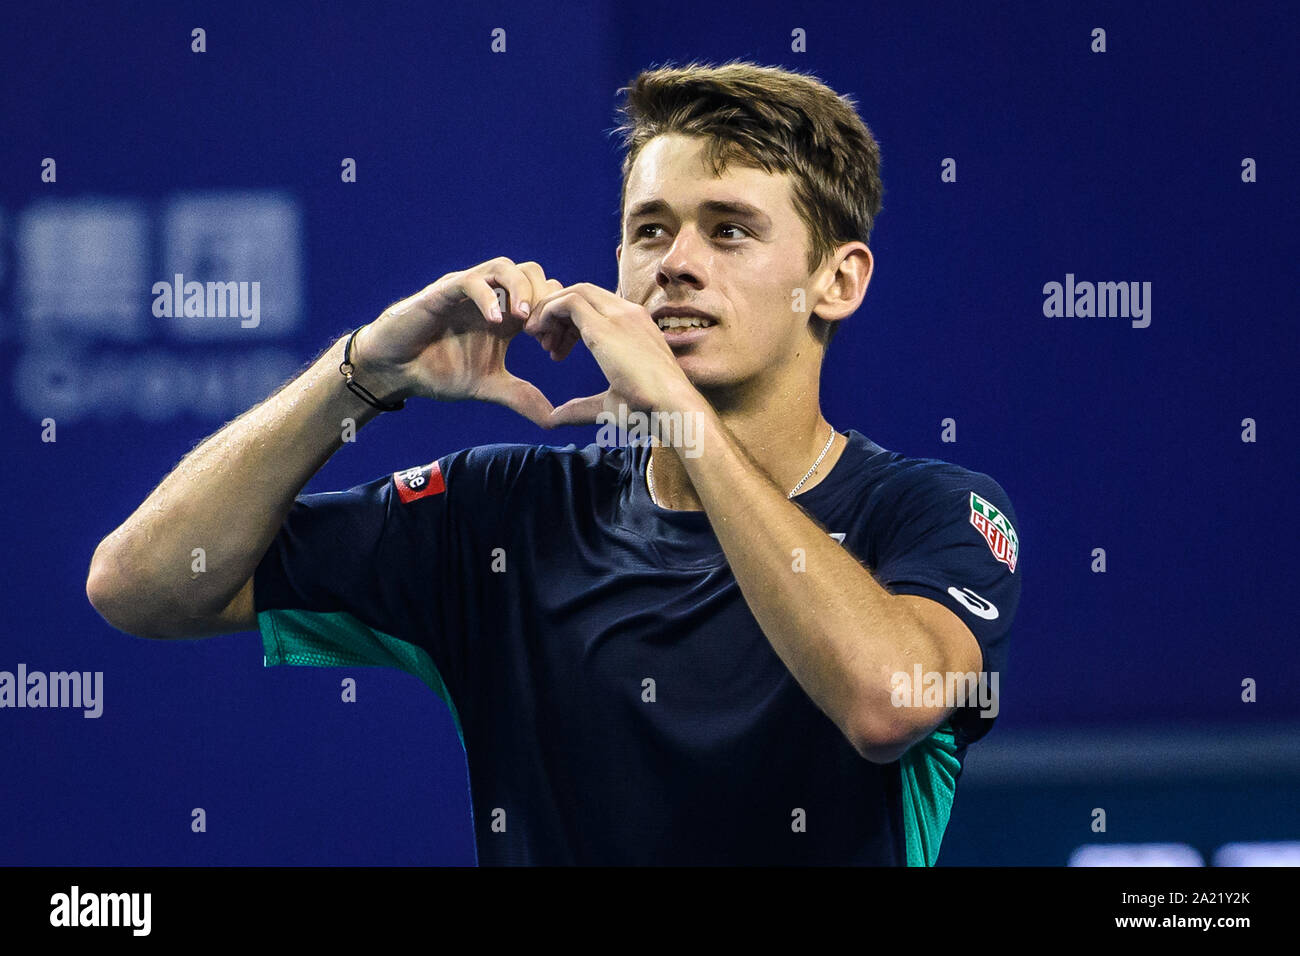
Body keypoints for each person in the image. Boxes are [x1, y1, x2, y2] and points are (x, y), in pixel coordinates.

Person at [87, 60, 1021, 865]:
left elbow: (886, 702)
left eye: (730, 230)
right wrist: (358, 373)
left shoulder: (931, 512)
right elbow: (142, 586)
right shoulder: (501, 515)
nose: (677, 264)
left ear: (836, 281)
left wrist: (679, 413)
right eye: (651, 230)